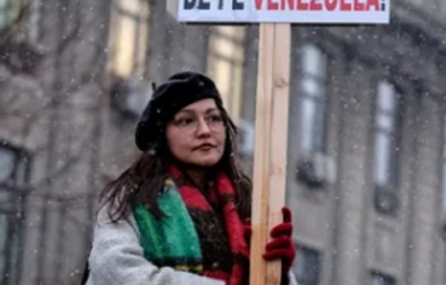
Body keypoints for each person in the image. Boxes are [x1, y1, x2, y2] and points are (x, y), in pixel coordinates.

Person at [85, 71, 298, 284]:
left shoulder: (247, 205)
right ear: (162, 135)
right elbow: (114, 272)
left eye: (214, 118)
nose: (205, 130)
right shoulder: (130, 198)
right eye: (186, 121)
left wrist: (278, 275)